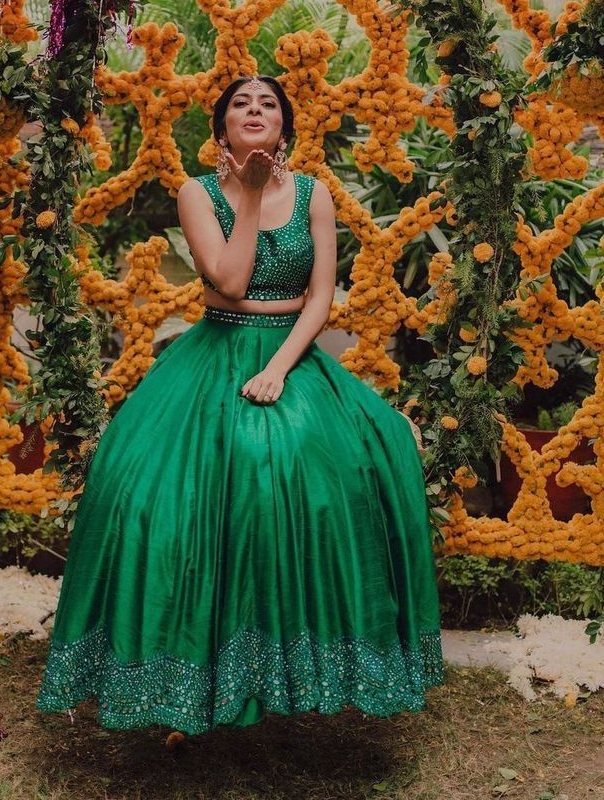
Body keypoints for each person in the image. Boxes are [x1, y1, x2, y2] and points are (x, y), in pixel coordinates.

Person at [36, 74, 445, 744]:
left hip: (289, 356)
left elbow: (320, 298)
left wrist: (279, 370)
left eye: (268, 106)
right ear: (221, 129)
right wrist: (250, 197)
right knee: (159, 491)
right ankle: (186, 678)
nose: (254, 112)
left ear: (284, 127)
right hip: (213, 351)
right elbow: (226, 279)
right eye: (239, 105)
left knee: (347, 471)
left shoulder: (314, 194)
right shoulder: (196, 193)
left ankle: (308, 671)